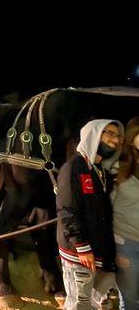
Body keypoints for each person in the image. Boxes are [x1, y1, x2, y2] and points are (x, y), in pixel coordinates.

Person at [57, 120, 123, 310]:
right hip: (79, 253)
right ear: (93, 134)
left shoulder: (101, 172)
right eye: (109, 133)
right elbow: (67, 211)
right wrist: (82, 246)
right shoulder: (73, 168)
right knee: (79, 304)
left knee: (95, 303)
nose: (115, 140)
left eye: (118, 136)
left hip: (99, 251)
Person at [113, 117, 139, 309]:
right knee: (129, 298)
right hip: (127, 243)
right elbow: (103, 209)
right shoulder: (117, 168)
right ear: (132, 139)